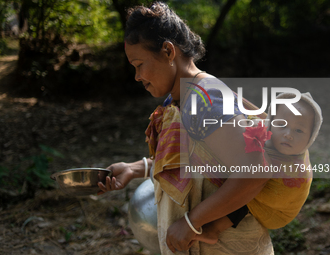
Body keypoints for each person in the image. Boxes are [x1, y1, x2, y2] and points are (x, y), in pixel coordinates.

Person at [98, 2, 274, 254]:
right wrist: (134, 168)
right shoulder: (181, 98)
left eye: (139, 64)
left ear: (168, 51)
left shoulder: (205, 100)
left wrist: (193, 222)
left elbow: (255, 171)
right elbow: (200, 160)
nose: (137, 76)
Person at [194, 92, 323, 244]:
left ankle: (212, 230)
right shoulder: (272, 134)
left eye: (299, 130)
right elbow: (257, 122)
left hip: (277, 212)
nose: (288, 134)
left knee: (242, 192)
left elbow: (250, 163)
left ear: (311, 137)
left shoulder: (294, 167)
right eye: (282, 125)